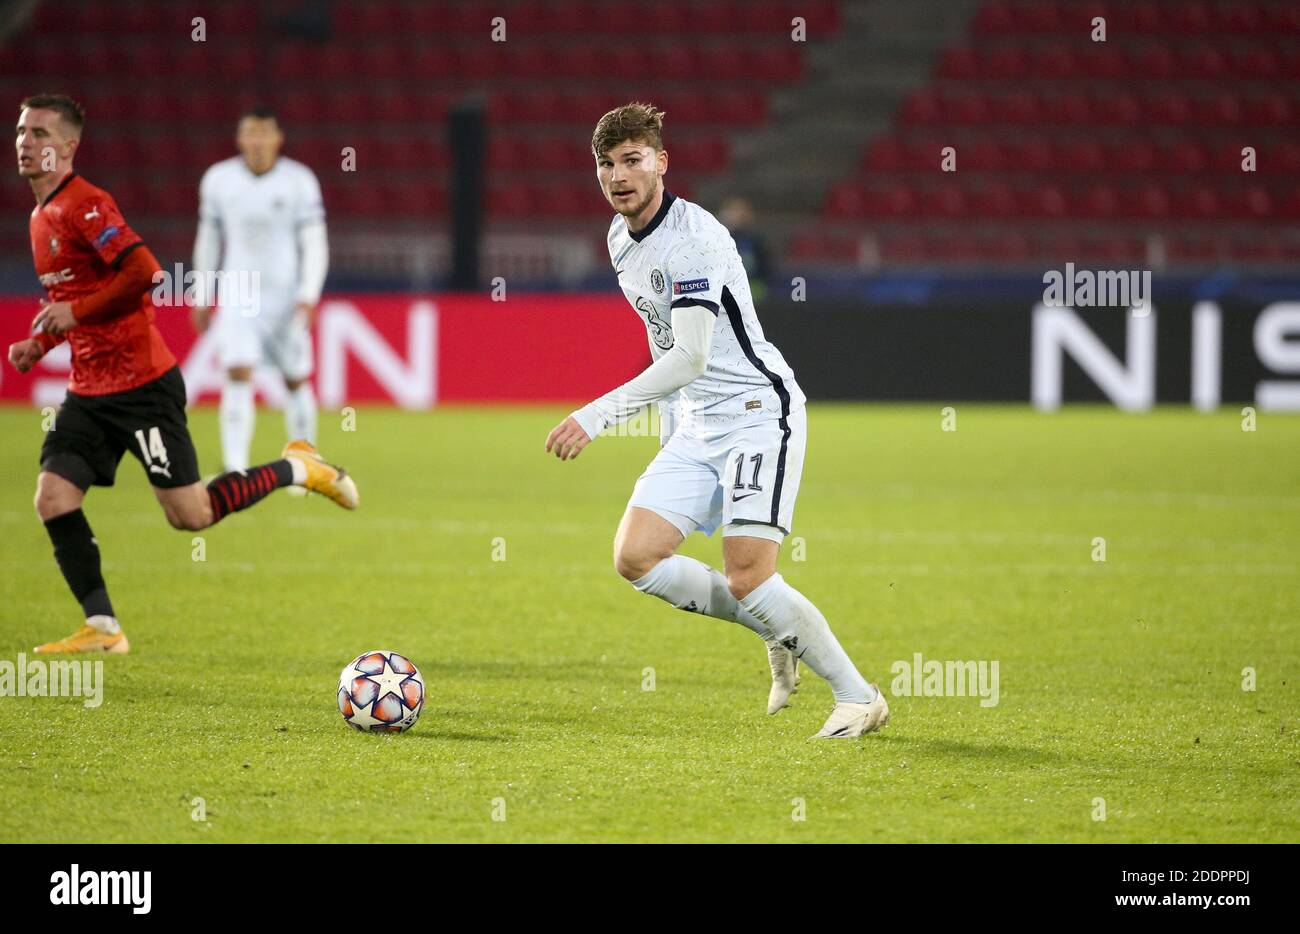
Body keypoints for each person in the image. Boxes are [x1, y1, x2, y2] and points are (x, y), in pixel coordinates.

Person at [544, 103, 888, 739]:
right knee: (636, 557)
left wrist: (598, 416)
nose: (618, 175)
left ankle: (857, 695)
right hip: (697, 422)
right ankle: (773, 625)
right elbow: (660, 337)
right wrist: (673, 431)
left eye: (632, 160)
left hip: (757, 411)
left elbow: (692, 353)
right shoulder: (620, 239)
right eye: (606, 164)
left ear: (661, 163)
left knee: (748, 573)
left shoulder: (695, 239)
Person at [7, 94, 357, 655]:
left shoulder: (86, 204)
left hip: (141, 387)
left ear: (69, 147)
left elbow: (142, 274)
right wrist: (42, 340)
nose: (26, 142)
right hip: (88, 389)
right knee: (52, 498)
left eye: (42, 134)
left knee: (190, 515)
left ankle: (298, 468)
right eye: (23, 131)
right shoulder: (38, 217)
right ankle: (103, 628)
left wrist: (71, 315)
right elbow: (75, 298)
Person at [191, 105, 328, 473]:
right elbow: (209, 239)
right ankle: (235, 469)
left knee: (295, 378)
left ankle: (306, 463)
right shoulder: (219, 180)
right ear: (239, 139)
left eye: (264, 133)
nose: (256, 141)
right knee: (237, 373)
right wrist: (202, 295)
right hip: (239, 292)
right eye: (250, 133)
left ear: (278, 138)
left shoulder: (299, 181)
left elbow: (315, 242)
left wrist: (309, 294)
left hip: (285, 296)